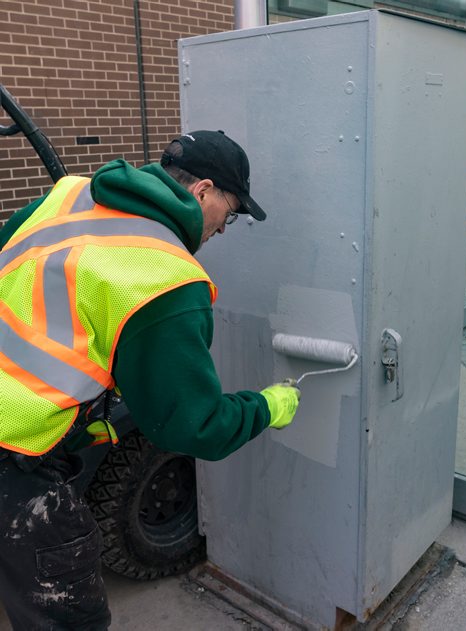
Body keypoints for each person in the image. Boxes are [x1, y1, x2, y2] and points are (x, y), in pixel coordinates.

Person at [0, 130, 301, 630]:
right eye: (232, 210)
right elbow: (192, 425)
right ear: (203, 190)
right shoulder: (163, 276)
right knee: (69, 617)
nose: (226, 229)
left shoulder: (69, 194)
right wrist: (268, 406)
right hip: (15, 459)